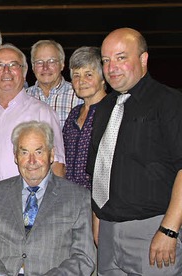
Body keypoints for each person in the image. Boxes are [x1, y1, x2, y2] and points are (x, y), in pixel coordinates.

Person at [88, 27, 182, 275]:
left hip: (153, 233)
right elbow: (99, 169)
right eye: (106, 60)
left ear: (143, 59)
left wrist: (169, 229)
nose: (112, 67)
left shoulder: (170, 102)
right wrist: (98, 220)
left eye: (121, 58)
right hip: (107, 234)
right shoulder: (105, 107)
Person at [0, 121, 95, 275]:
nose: (31, 161)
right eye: (24, 152)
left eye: (38, 152)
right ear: (15, 156)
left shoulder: (78, 197)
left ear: (51, 155)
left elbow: (84, 257)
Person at [0, 44, 65, 200]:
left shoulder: (43, 113)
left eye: (13, 65)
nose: (6, 71)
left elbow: (57, 165)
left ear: (24, 72)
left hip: (30, 204)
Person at [62, 47, 106, 190]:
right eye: (76, 75)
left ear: (103, 78)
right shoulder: (74, 113)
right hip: (72, 196)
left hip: (101, 195)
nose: (81, 81)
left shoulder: (112, 110)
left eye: (88, 74)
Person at [26, 40, 83, 128]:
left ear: (62, 64)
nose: (45, 67)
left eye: (51, 61)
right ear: (33, 67)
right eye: (39, 62)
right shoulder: (23, 98)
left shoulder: (80, 96)